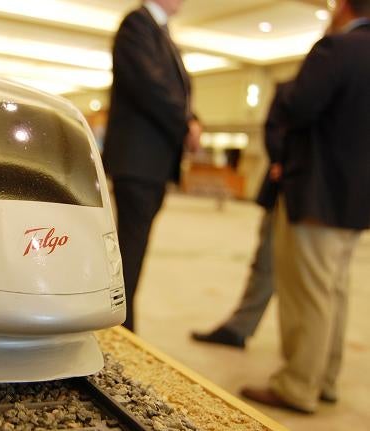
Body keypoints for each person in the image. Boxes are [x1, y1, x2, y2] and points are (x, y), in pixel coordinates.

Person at [241, 0, 370, 413]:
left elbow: (299, 105)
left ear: (344, 6)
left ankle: (297, 385)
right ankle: (324, 379)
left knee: (308, 292)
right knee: (334, 289)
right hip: (357, 199)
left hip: (318, 190)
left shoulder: (336, 48)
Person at [102, 0, 201, 332]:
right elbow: (150, 86)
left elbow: (175, 89)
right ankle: (120, 329)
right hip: (138, 161)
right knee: (130, 252)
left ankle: (122, 326)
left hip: (152, 162)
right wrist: (186, 124)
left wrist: (193, 118)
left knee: (134, 249)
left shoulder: (160, 31)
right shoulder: (137, 24)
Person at [191, 81, 294, 349]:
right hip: (331, 197)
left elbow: (277, 127)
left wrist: (287, 161)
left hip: (298, 192)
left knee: (277, 265)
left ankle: (304, 364)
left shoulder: (303, 85)